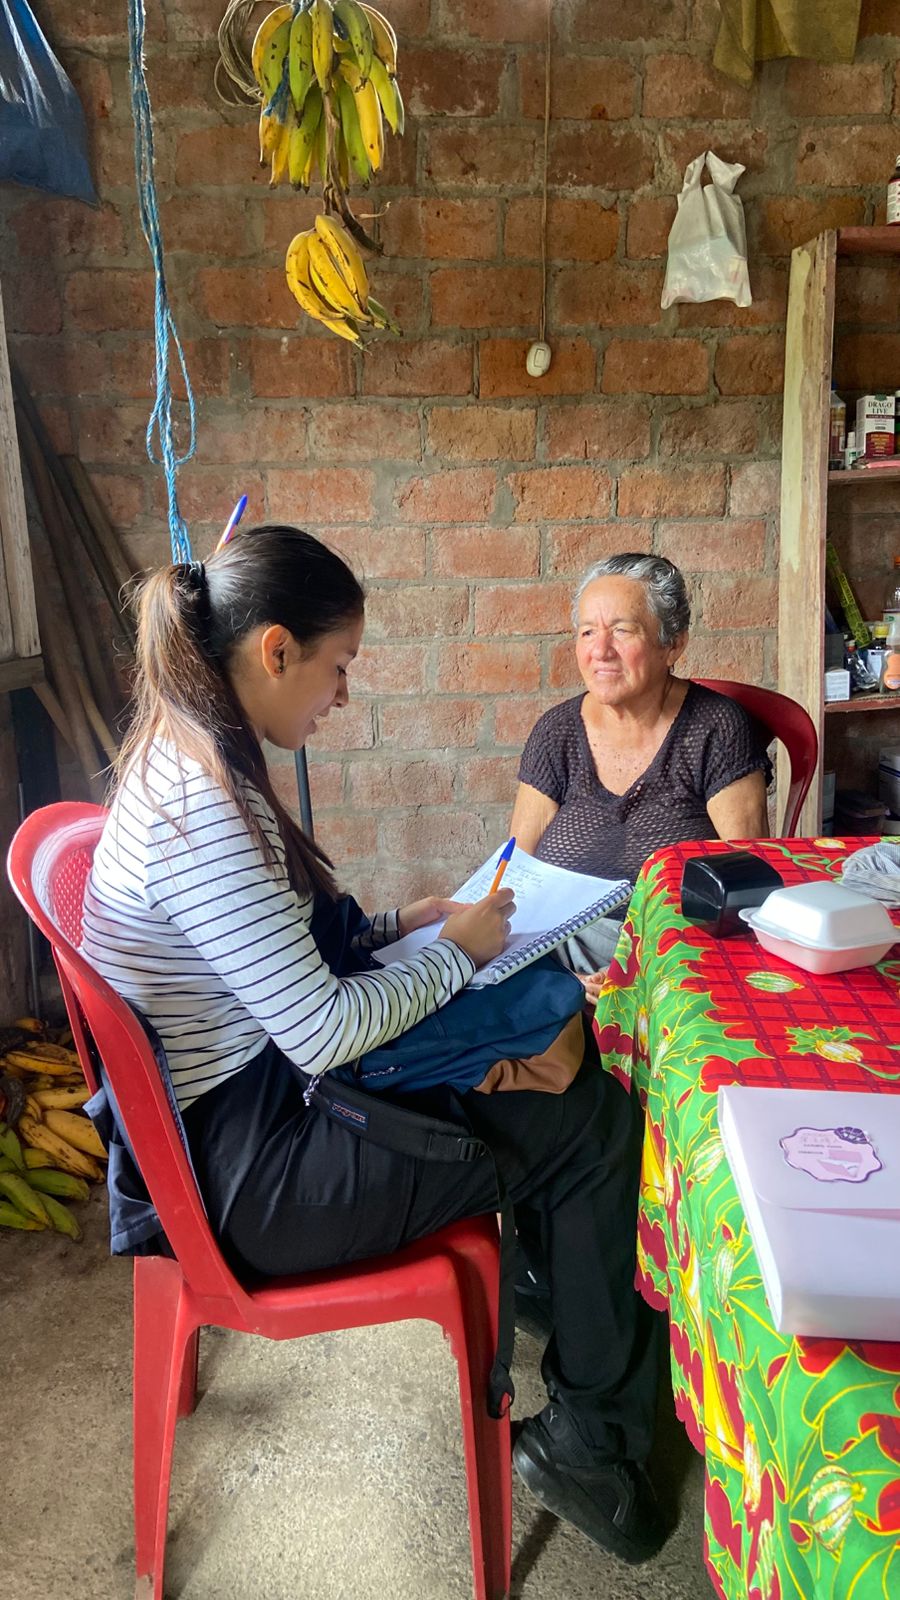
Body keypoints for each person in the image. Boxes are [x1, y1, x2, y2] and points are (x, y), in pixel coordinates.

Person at [81, 524, 664, 1565]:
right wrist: (461, 953)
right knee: (592, 1122)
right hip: (255, 1175)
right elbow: (322, 1030)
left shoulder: (185, 754)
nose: (343, 696)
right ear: (276, 650)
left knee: (543, 1065)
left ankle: (560, 1293)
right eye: (338, 666)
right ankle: (599, 1451)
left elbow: (271, 952)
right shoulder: (201, 808)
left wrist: (405, 925)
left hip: (248, 1115)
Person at [511, 553, 770, 1001]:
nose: (600, 650)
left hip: (675, 958)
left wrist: (640, 969)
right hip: (558, 958)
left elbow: (747, 886)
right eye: (587, 632)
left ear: (674, 644)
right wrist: (559, 982)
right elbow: (517, 873)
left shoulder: (716, 728)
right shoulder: (556, 732)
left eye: (623, 630)